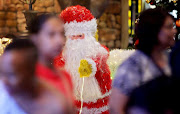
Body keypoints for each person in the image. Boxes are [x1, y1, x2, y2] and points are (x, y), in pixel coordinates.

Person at [110, 8, 177, 114]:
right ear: (154, 30)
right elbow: (116, 108)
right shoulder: (132, 66)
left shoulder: (171, 58)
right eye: (168, 27)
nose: (174, 31)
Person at [54, 5, 112, 113]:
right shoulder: (61, 54)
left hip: (98, 99)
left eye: (80, 36)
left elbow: (101, 57)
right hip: (71, 99)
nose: (76, 40)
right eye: (72, 36)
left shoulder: (96, 50)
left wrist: (92, 65)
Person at [0, 39, 67, 114]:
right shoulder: (3, 90)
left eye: (11, 75)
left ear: (32, 72)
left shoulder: (54, 106)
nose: (4, 80)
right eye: (2, 73)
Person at [28, 14, 75, 111]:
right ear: (35, 38)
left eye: (62, 34)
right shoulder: (25, 77)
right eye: (51, 34)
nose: (60, 41)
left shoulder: (65, 77)